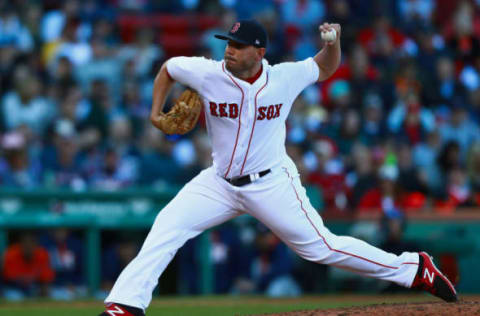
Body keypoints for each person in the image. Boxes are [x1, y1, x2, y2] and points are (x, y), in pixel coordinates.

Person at [99, 20, 457, 316]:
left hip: (270, 183)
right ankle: (125, 304)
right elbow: (168, 68)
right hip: (219, 182)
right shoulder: (207, 73)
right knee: (168, 225)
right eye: (228, 43)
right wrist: (154, 111)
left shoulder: (284, 78)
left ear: (259, 52)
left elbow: (325, 66)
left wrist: (332, 44)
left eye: (238, 46)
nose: (229, 50)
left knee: (322, 248)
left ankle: (413, 269)